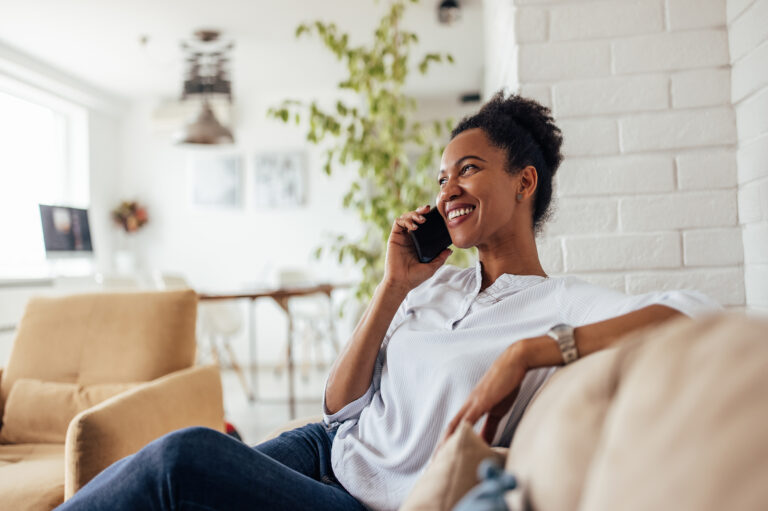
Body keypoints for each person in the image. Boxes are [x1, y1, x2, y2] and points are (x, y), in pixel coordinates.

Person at [57, 93, 717, 511]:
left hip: (378, 500)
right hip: (330, 448)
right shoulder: (434, 283)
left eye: (467, 168)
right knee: (172, 488)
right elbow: (339, 404)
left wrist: (532, 350)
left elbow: (695, 311)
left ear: (524, 182)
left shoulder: (563, 301)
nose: (446, 188)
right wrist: (393, 284)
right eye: (440, 176)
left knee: (183, 459)